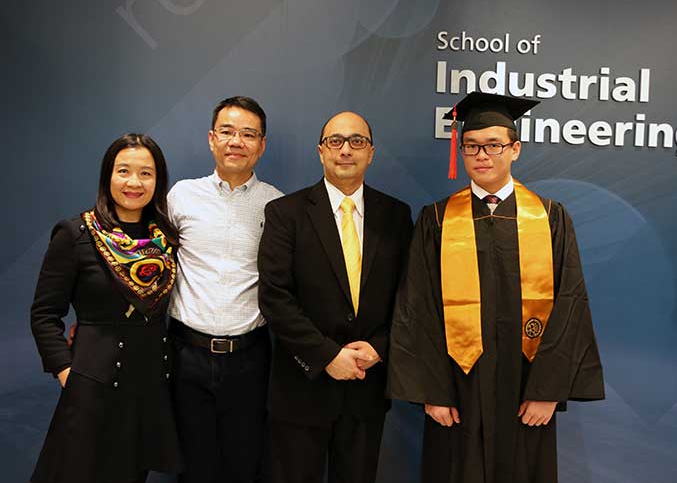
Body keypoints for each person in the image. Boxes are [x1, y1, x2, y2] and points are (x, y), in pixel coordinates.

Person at [387, 92, 605, 483]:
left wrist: (548, 389)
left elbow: (570, 303)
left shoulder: (550, 217)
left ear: (515, 149)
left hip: (526, 385)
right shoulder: (436, 219)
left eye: (493, 145)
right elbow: (417, 306)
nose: (481, 155)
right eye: (471, 146)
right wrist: (433, 391)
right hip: (457, 386)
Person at [258, 111, 413, 483]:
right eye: (336, 141)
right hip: (302, 387)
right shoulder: (285, 213)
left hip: (367, 387)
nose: (346, 150)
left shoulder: (396, 215)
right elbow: (275, 298)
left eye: (357, 141)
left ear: (371, 152)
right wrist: (326, 355)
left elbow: (409, 299)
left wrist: (380, 348)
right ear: (321, 151)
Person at [30, 133, 182, 483]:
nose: (134, 182)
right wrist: (68, 373)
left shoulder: (165, 238)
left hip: (148, 387)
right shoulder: (76, 233)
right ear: (107, 177)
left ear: (158, 181)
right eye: (123, 171)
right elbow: (44, 314)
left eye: (146, 173)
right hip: (92, 385)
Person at [167, 96, 282, 483]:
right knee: (191, 467)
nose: (237, 141)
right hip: (185, 355)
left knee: (245, 465)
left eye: (248, 134)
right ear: (211, 139)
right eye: (228, 132)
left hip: (250, 358)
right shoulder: (181, 196)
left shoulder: (277, 205)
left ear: (262, 145)